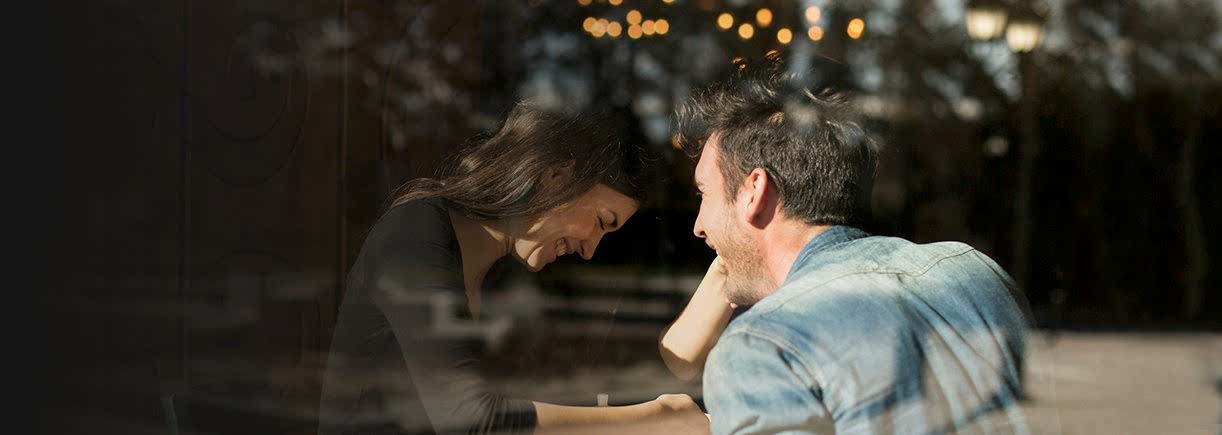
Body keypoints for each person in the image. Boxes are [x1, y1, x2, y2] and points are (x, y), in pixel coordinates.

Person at [660, 57, 1032, 434]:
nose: (698, 226)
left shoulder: (763, 345)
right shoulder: (974, 272)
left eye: (704, 192)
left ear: (754, 191)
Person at [320, 101, 709, 435]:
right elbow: (470, 418)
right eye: (601, 222)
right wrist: (654, 420)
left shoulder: (504, 270)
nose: (590, 249)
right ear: (556, 177)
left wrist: (724, 272)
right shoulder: (415, 234)